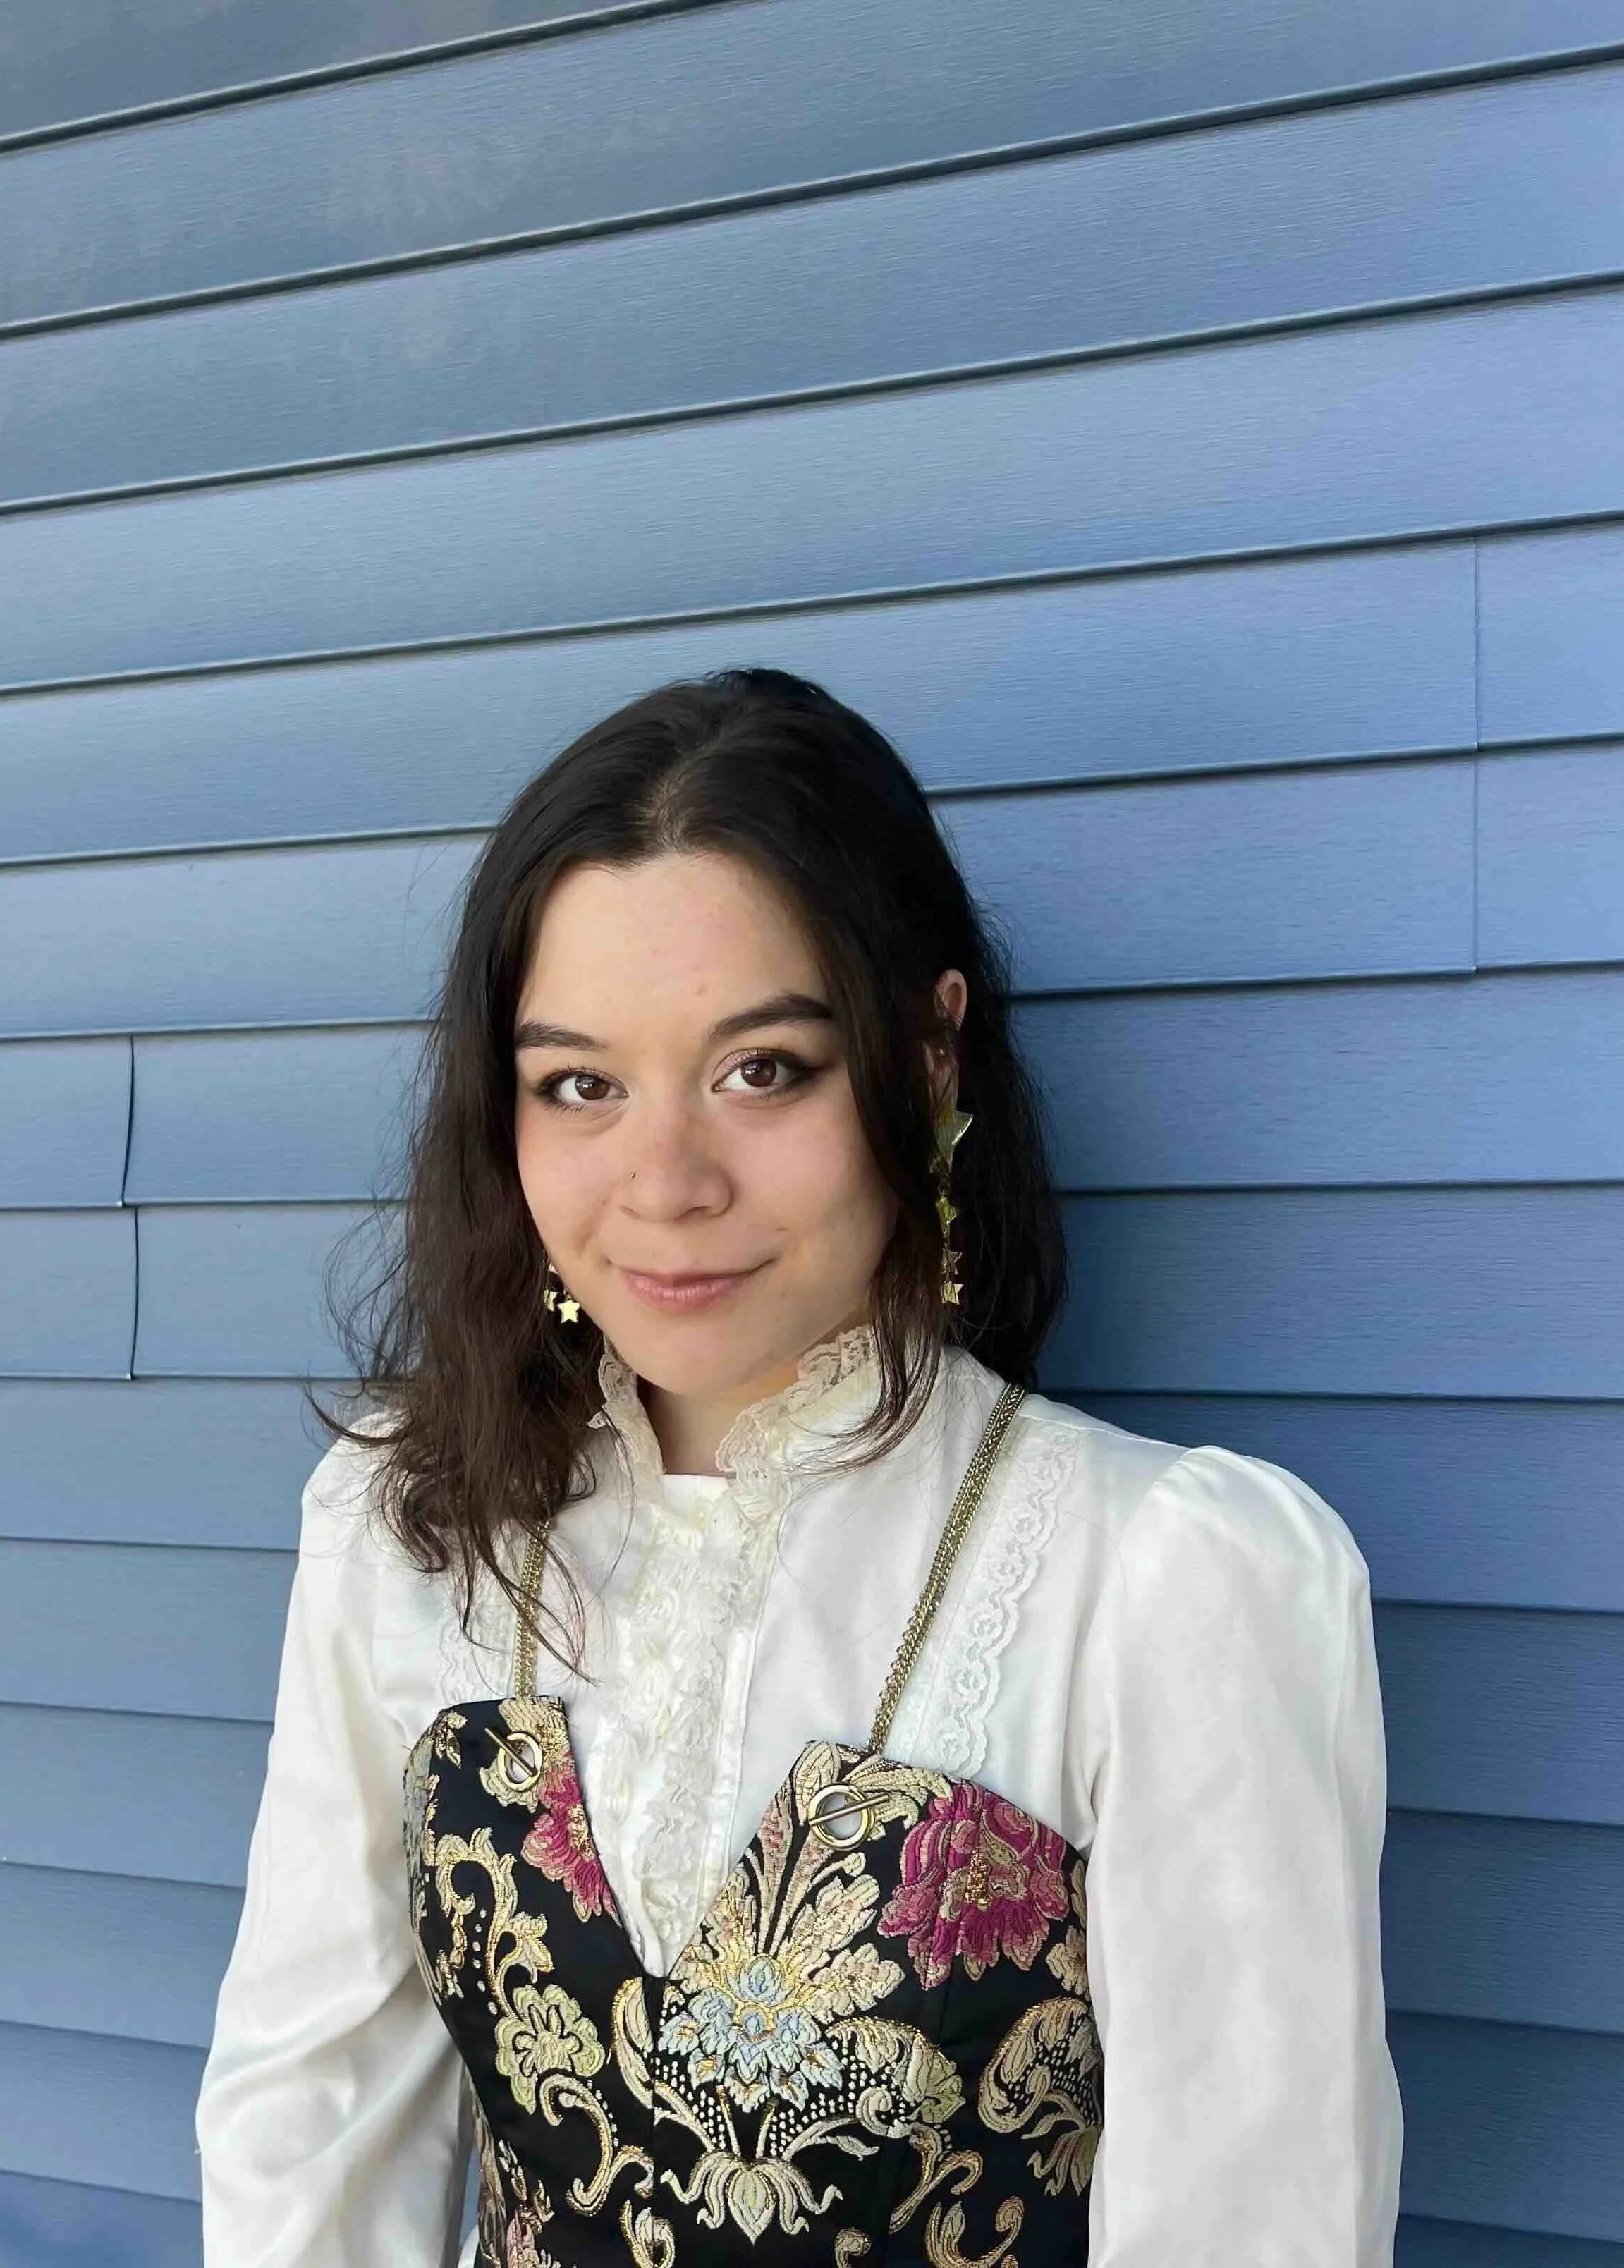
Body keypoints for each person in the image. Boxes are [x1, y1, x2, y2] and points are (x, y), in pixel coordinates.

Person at [195, 667, 1403, 2265]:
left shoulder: (1169, 1580)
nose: (665, 1182)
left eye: (761, 1068)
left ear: (927, 1063)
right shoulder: (402, 1528)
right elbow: (306, 2143)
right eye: (581, 1085)